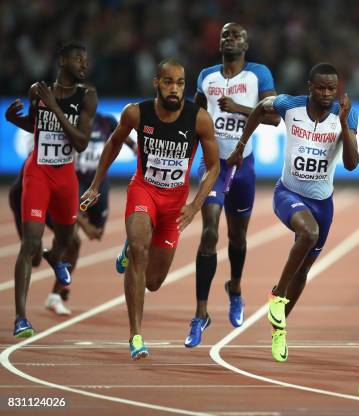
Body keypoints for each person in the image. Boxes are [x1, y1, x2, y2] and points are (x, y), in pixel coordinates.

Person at [80, 59, 219, 360]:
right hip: (144, 191)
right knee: (141, 252)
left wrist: (196, 205)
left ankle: (130, 247)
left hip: (174, 203)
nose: (174, 88)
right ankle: (135, 335)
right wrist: (95, 184)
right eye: (168, 82)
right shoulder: (136, 113)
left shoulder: (200, 119)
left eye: (180, 83)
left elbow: (214, 166)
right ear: (156, 82)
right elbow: (114, 143)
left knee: (153, 283)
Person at [227, 62, 359, 362]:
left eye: (332, 88)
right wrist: (240, 145)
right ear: (310, 87)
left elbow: (352, 164)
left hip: (323, 203)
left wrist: (343, 124)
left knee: (304, 271)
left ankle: (278, 330)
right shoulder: (290, 105)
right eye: (321, 87)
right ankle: (277, 293)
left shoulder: (346, 113)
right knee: (307, 233)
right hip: (287, 193)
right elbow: (261, 108)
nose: (327, 94)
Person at [185, 22, 279, 348]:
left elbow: (275, 117)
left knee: (236, 236)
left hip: (243, 165)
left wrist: (239, 108)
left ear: (247, 44)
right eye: (226, 35)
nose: (230, 39)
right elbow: (193, 113)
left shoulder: (258, 75)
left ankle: (235, 289)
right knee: (209, 231)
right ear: (220, 43)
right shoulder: (206, 76)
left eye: (237, 35)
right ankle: (200, 314)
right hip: (212, 164)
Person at [5, 41, 98, 338]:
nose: (84, 64)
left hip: (65, 175)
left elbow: (81, 142)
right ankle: (21, 317)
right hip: (39, 172)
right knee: (29, 244)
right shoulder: (38, 90)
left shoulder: (87, 96)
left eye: (86, 60)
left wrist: (56, 107)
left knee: (68, 240)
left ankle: (54, 257)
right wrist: (13, 120)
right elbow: (36, 125)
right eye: (78, 59)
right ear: (61, 61)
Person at [7, 112, 135, 316]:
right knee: (39, 256)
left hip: (92, 181)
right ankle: (49, 294)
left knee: (94, 234)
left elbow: (127, 142)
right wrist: (82, 223)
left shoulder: (105, 123)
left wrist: (143, 152)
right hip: (53, 185)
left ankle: (56, 294)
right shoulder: (58, 132)